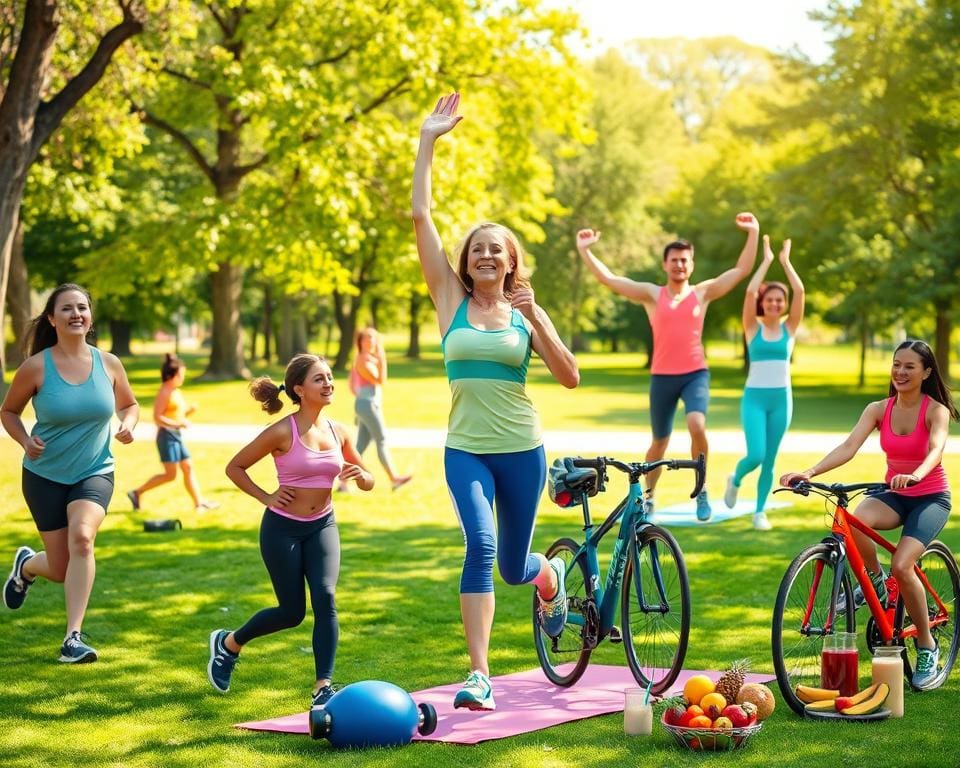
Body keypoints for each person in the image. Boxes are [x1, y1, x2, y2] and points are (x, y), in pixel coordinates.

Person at [413, 92, 580, 711]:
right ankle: (479, 675)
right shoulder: (448, 301)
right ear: (467, 260)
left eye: (497, 249)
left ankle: (548, 575)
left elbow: (569, 377)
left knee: (513, 566)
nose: (486, 254)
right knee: (480, 548)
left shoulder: (523, 313)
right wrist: (428, 140)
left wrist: (537, 320)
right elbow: (421, 218)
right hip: (467, 451)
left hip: (522, 451)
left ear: (511, 262)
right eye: (477, 247)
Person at [780, 339, 957, 689]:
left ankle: (926, 645)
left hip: (929, 497)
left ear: (926, 372)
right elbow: (849, 446)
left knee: (904, 565)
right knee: (856, 521)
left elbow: (936, 449)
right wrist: (811, 472)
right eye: (896, 364)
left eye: (909, 366)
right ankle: (874, 585)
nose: (900, 372)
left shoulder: (935, 410)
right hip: (894, 494)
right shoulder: (878, 409)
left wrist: (917, 474)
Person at [207, 353, 373, 709]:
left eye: (329, 377)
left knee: (326, 598)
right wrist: (267, 496)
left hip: (323, 525)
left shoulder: (338, 430)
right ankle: (229, 643)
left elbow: (368, 478)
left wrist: (363, 476)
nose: (328, 383)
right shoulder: (283, 431)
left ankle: (322, 687)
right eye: (319, 379)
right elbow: (234, 467)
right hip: (282, 530)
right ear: (299, 389)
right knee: (291, 612)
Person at [576, 213, 760, 521]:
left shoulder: (703, 293)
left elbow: (741, 270)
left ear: (692, 265)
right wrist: (586, 251)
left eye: (684, 260)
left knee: (696, 425)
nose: (679, 265)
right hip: (662, 377)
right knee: (659, 441)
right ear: (665, 264)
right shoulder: (652, 294)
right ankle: (648, 498)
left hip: (695, 374)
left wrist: (753, 233)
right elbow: (610, 281)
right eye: (674, 260)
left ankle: (701, 490)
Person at [1, 283, 139, 663]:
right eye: (67, 308)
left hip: (94, 471)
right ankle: (28, 566)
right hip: (44, 475)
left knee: (82, 539)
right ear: (52, 318)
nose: (76, 314)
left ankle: (72, 638)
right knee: (59, 568)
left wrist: (129, 423)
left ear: (90, 316)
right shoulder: (36, 367)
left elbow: (129, 403)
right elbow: (8, 412)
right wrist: (26, 441)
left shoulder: (108, 363)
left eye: (82, 307)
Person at [724, 235, 804, 530]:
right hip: (755, 399)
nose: (774, 303)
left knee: (770, 459)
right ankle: (736, 478)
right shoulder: (751, 327)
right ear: (763, 303)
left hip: (781, 399)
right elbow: (748, 293)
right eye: (769, 299)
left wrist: (785, 263)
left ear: (784, 305)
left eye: (779, 300)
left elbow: (799, 289)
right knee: (756, 453)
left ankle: (759, 512)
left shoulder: (790, 328)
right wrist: (766, 260)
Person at [126, 353, 219, 513]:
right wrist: (179, 423)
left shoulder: (175, 391)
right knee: (170, 475)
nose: (182, 377)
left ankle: (199, 503)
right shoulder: (165, 392)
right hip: (166, 436)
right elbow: (157, 417)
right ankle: (136, 492)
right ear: (171, 375)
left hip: (176, 435)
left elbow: (177, 415)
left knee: (188, 467)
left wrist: (189, 412)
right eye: (181, 374)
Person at [336, 327, 412, 492]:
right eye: (367, 338)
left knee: (360, 446)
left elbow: (354, 384)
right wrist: (382, 358)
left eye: (373, 338)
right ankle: (394, 478)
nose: (371, 341)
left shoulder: (368, 359)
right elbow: (380, 380)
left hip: (367, 404)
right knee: (382, 440)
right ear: (360, 342)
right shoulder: (363, 360)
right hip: (367, 405)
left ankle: (343, 482)